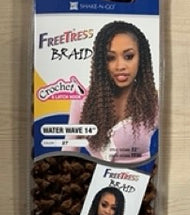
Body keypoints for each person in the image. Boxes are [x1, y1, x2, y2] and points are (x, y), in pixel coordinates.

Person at [66, 20, 158, 162]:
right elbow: (69, 151)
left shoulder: (154, 101)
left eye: (129, 56)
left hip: (140, 176)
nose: (120, 66)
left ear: (141, 58)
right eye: (110, 58)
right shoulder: (84, 100)